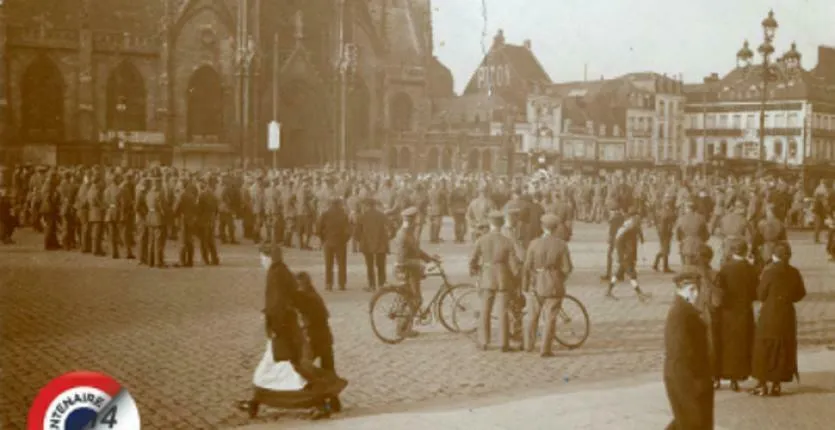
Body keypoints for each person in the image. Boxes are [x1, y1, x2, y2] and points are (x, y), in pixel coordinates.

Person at [240, 245, 346, 420]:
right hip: (289, 333)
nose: (261, 262)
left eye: (262, 258)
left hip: (286, 334)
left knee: (294, 372)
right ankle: (255, 402)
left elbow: (279, 305)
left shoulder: (277, 276)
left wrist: (275, 326)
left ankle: (322, 403)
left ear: (268, 257)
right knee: (274, 370)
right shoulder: (284, 274)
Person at [750, 242, 806, 397]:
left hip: (770, 313)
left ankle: (762, 384)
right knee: (783, 347)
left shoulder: (769, 272)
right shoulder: (794, 272)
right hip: (787, 313)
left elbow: (761, 294)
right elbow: (801, 293)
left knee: (764, 346)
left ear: (775, 255)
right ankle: (776, 384)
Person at [664, 272, 714, 430]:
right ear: (680, 290)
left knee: (687, 421)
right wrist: (696, 380)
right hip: (686, 377)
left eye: (696, 289)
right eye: (691, 290)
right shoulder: (680, 314)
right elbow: (680, 350)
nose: (695, 294)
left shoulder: (687, 310)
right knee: (694, 423)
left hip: (690, 376)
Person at [520, 213, 573, 357]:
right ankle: (545, 349)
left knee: (532, 315)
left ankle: (528, 345)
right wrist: (558, 278)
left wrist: (525, 285)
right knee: (550, 318)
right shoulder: (561, 245)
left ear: (542, 227)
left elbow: (526, 266)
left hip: (536, 284)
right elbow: (567, 268)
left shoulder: (534, 243)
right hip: (554, 284)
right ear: (556, 228)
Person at [469, 210, 520, 352]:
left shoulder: (482, 240)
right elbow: (514, 266)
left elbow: (472, 260)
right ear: (502, 223)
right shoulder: (507, 241)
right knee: (503, 311)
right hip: (503, 278)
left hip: (487, 276)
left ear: (490, 223)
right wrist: (517, 278)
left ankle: (484, 341)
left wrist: (477, 270)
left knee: (485, 310)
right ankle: (504, 344)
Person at [714, 239, 758, 391]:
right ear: (746, 252)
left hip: (726, 311)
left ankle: (718, 376)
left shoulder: (725, 268)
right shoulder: (751, 269)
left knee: (724, 342)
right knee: (741, 344)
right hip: (744, 311)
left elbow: (719, 290)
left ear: (732, 252)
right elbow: (756, 293)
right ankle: (736, 377)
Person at [391, 206, 439, 338]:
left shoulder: (409, 233)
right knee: (416, 300)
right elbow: (401, 260)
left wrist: (429, 259)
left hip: (411, 270)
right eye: (416, 220)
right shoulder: (403, 235)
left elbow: (416, 251)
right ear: (411, 220)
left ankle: (405, 327)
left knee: (409, 299)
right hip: (407, 271)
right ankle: (403, 328)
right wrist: (421, 265)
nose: (418, 223)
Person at [606, 208, 651, 302]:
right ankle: (639, 294)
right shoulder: (628, 227)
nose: (639, 219)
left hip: (627, 255)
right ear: (633, 217)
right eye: (637, 216)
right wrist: (622, 254)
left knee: (618, 273)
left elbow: (637, 235)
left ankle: (608, 291)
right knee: (632, 275)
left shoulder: (633, 225)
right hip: (626, 256)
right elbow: (618, 241)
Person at [355, 197, 389, 292]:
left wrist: (360, 240)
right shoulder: (382, 215)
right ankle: (382, 284)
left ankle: (372, 285)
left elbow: (357, 232)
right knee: (381, 265)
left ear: (366, 206)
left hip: (367, 244)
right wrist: (388, 238)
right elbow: (391, 227)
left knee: (369, 265)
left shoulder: (362, 216)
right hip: (381, 244)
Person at [317, 197, 351, 291]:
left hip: (328, 242)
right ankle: (342, 284)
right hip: (340, 242)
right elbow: (348, 231)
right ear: (339, 205)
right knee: (341, 264)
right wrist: (344, 240)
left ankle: (329, 283)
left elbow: (318, 228)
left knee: (328, 264)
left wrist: (323, 239)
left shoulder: (325, 214)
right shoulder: (344, 215)